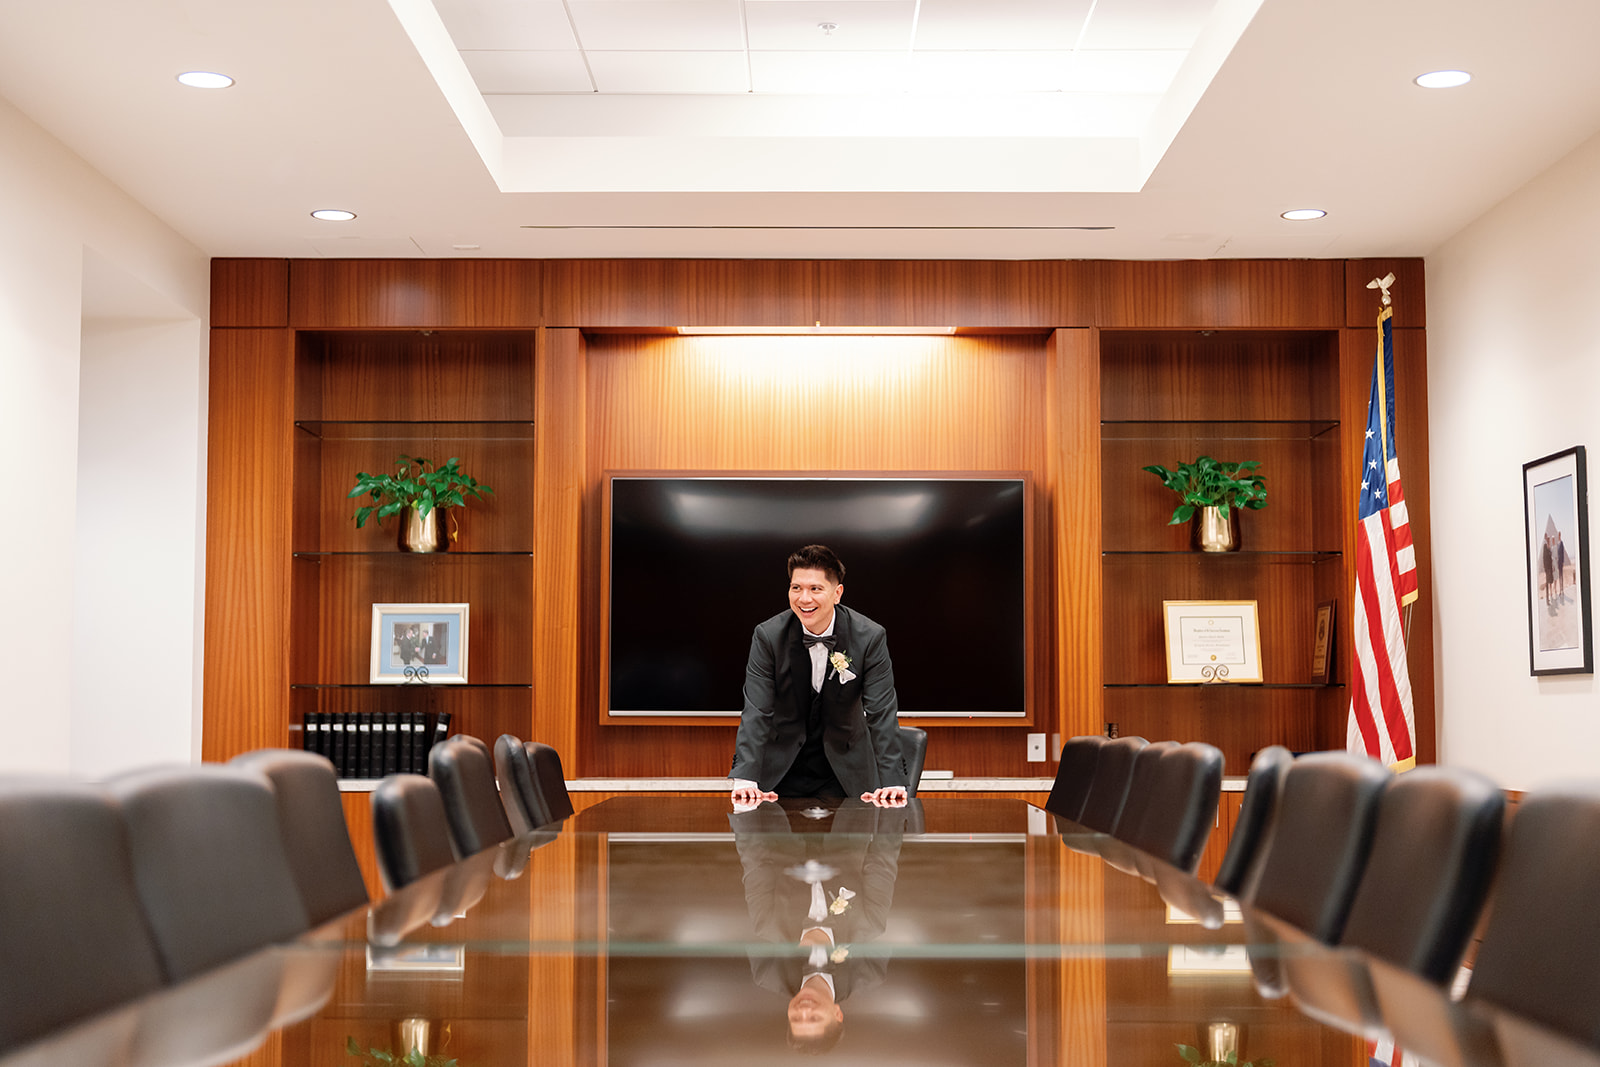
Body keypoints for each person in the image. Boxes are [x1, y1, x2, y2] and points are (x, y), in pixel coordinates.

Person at [730, 545, 908, 805]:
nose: (804, 599)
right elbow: (757, 710)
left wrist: (892, 780)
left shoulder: (870, 637)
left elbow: (881, 712)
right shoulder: (767, 636)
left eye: (815, 589)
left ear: (837, 593)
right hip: (782, 770)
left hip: (846, 770)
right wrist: (745, 777)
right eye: (796, 588)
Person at [731, 797, 912, 1053]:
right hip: (850, 806)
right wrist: (892, 810)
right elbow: (881, 864)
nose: (803, 1011)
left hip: (782, 807)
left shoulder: (767, 972)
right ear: (837, 1014)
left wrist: (745, 810)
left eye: (796, 1019)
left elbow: (756, 865)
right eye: (814, 1018)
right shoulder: (869, 970)